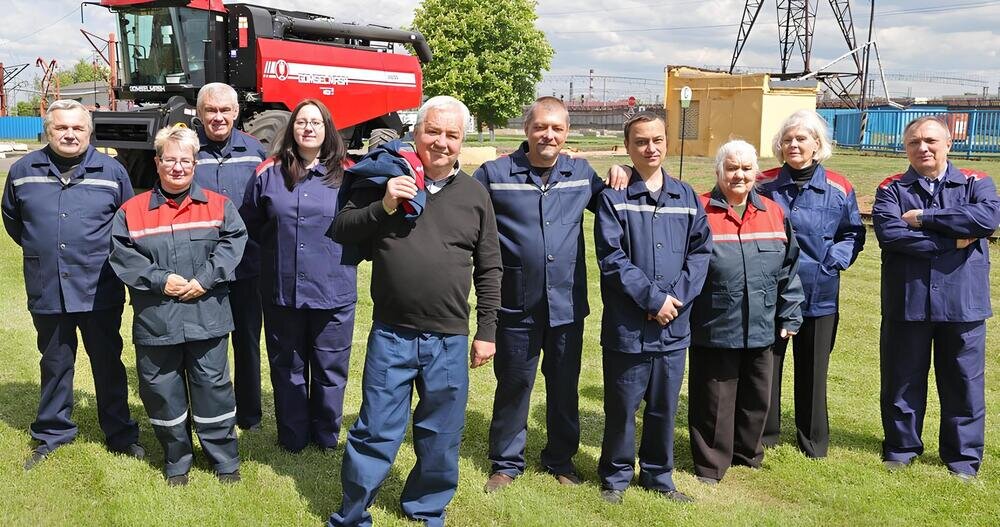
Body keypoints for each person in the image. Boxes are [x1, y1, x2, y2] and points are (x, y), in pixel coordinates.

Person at [328, 95, 501, 527]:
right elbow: (340, 229)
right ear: (416, 131)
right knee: (375, 431)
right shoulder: (390, 179)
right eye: (433, 131)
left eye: (451, 135)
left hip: (448, 339)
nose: (441, 142)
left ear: (462, 141)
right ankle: (352, 514)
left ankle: (425, 508)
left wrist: (488, 330)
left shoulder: (475, 196)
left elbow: (490, 267)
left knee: (441, 435)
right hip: (392, 335)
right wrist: (384, 205)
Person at [473, 96, 628, 492]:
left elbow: (614, 202)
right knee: (514, 385)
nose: (549, 135)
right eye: (541, 126)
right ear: (527, 129)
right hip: (516, 305)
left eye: (557, 128)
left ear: (567, 133)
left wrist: (622, 169)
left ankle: (560, 459)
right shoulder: (494, 174)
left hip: (566, 306)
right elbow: (464, 218)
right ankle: (506, 463)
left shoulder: (580, 173)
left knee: (563, 387)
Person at [2, 99, 143, 470]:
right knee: (55, 362)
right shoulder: (22, 171)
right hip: (48, 286)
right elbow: (15, 223)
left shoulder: (112, 172)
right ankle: (52, 433)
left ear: (89, 131)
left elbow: (127, 225)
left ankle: (119, 433)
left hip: (99, 287)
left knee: (107, 362)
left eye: (77, 128)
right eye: (60, 128)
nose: (69, 134)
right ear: (48, 131)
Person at [110, 126, 247, 486]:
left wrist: (206, 277)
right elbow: (123, 257)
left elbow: (233, 242)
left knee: (213, 387)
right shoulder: (132, 211)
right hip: (158, 320)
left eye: (185, 160)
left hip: (208, 315)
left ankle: (224, 459)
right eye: (169, 159)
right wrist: (159, 280)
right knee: (161, 389)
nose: (177, 167)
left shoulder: (219, 206)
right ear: (157, 162)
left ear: (195, 163)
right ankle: (176, 459)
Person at [593, 113, 711, 504]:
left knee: (663, 407)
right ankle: (616, 476)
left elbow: (700, 254)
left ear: (667, 142)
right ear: (628, 148)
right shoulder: (614, 198)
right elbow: (612, 259)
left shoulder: (688, 197)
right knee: (622, 406)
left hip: (673, 328)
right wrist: (653, 299)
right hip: (628, 327)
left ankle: (659, 476)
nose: (651, 148)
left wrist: (673, 300)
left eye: (657, 140)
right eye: (641, 141)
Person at [873, 116, 999, 481]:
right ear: (905, 149)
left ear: (948, 144)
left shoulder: (977, 181)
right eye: (914, 143)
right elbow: (891, 234)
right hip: (908, 300)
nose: (922, 148)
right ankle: (900, 448)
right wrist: (952, 240)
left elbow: (987, 219)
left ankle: (962, 459)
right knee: (901, 379)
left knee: (963, 381)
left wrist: (925, 218)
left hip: (963, 302)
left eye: (930, 140)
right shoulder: (891, 188)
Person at [243, 99, 357, 453]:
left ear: (328, 130)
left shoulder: (348, 174)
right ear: (291, 129)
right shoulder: (268, 173)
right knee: (287, 366)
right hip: (282, 290)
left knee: (329, 367)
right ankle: (292, 436)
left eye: (316, 122)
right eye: (301, 122)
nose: (308, 128)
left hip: (333, 290)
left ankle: (325, 436)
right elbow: (251, 223)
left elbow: (364, 224)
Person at [688, 139, 803, 485]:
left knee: (756, 395)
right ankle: (711, 462)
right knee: (715, 397)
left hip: (763, 322)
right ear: (719, 171)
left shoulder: (773, 211)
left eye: (747, 168)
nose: (740, 175)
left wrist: (791, 313)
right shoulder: (699, 210)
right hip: (714, 322)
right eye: (732, 167)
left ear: (756, 171)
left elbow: (789, 268)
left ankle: (747, 453)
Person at [756, 110, 865, 458]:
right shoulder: (764, 183)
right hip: (771, 295)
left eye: (801, 138)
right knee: (767, 366)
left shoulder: (839, 186)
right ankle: (764, 433)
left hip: (819, 294)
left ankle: (813, 440)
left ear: (818, 145)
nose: (793, 145)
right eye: (787, 139)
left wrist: (834, 261)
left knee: (814, 370)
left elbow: (853, 233)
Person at [195, 82, 268, 431]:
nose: (218, 117)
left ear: (237, 113)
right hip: (201, 267)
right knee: (205, 344)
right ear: (199, 114)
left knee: (247, 342)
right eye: (211, 110)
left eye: (225, 110)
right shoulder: (189, 153)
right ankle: (210, 411)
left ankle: (250, 415)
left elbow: (269, 206)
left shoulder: (256, 152)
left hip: (248, 266)